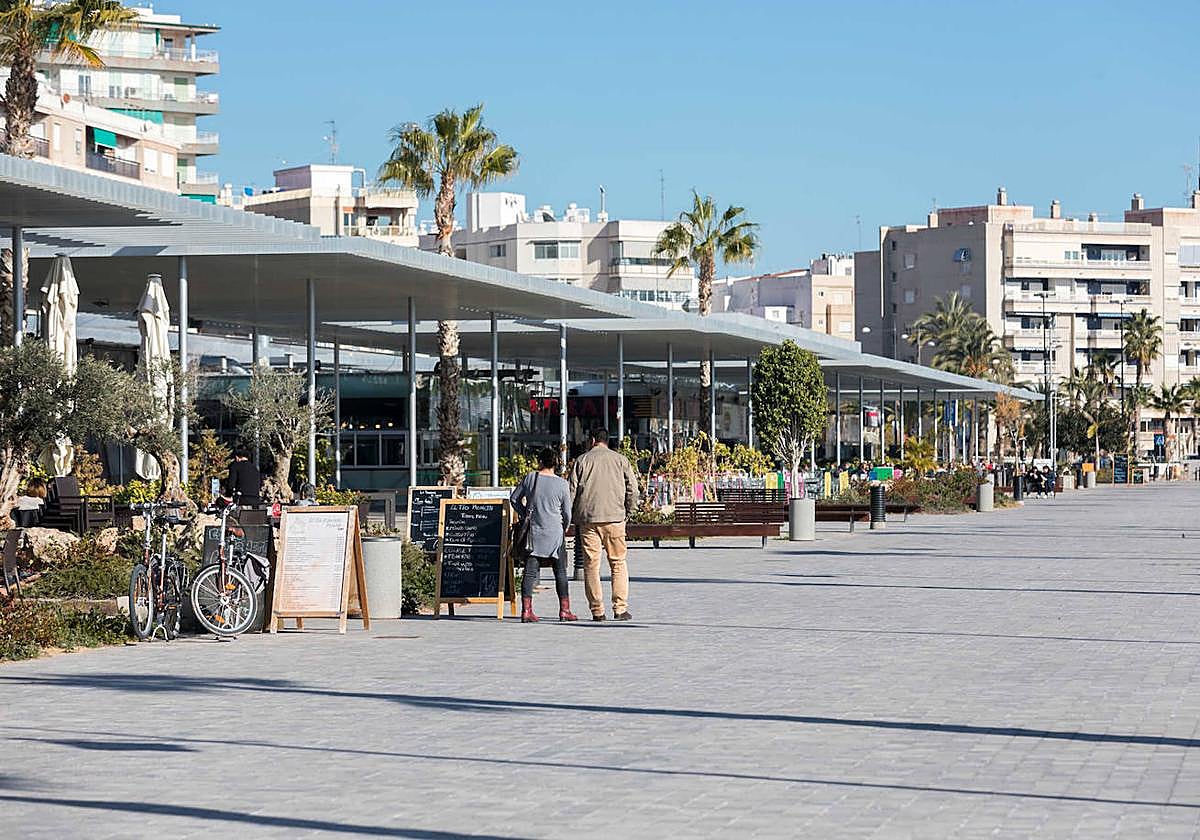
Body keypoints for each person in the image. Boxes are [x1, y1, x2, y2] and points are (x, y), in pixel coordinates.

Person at [569, 427, 638, 622]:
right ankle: (620, 608)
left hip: (588, 520)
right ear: (607, 441)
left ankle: (597, 610)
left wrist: (569, 516)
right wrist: (628, 511)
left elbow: (571, 492)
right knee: (618, 562)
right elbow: (633, 489)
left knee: (591, 565)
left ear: (592, 440)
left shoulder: (582, 461)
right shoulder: (620, 460)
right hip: (615, 518)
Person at [509, 447, 576, 623]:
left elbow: (514, 499)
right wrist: (564, 527)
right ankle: (564, 610)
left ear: (540, 462)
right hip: (555, 534)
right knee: (560, 571)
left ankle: (526, 610)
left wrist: (525, 513)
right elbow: (567, 513)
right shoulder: (562, 484)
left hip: (534, 533)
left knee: (530, 571)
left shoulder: (531, 478)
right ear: (556, 464)